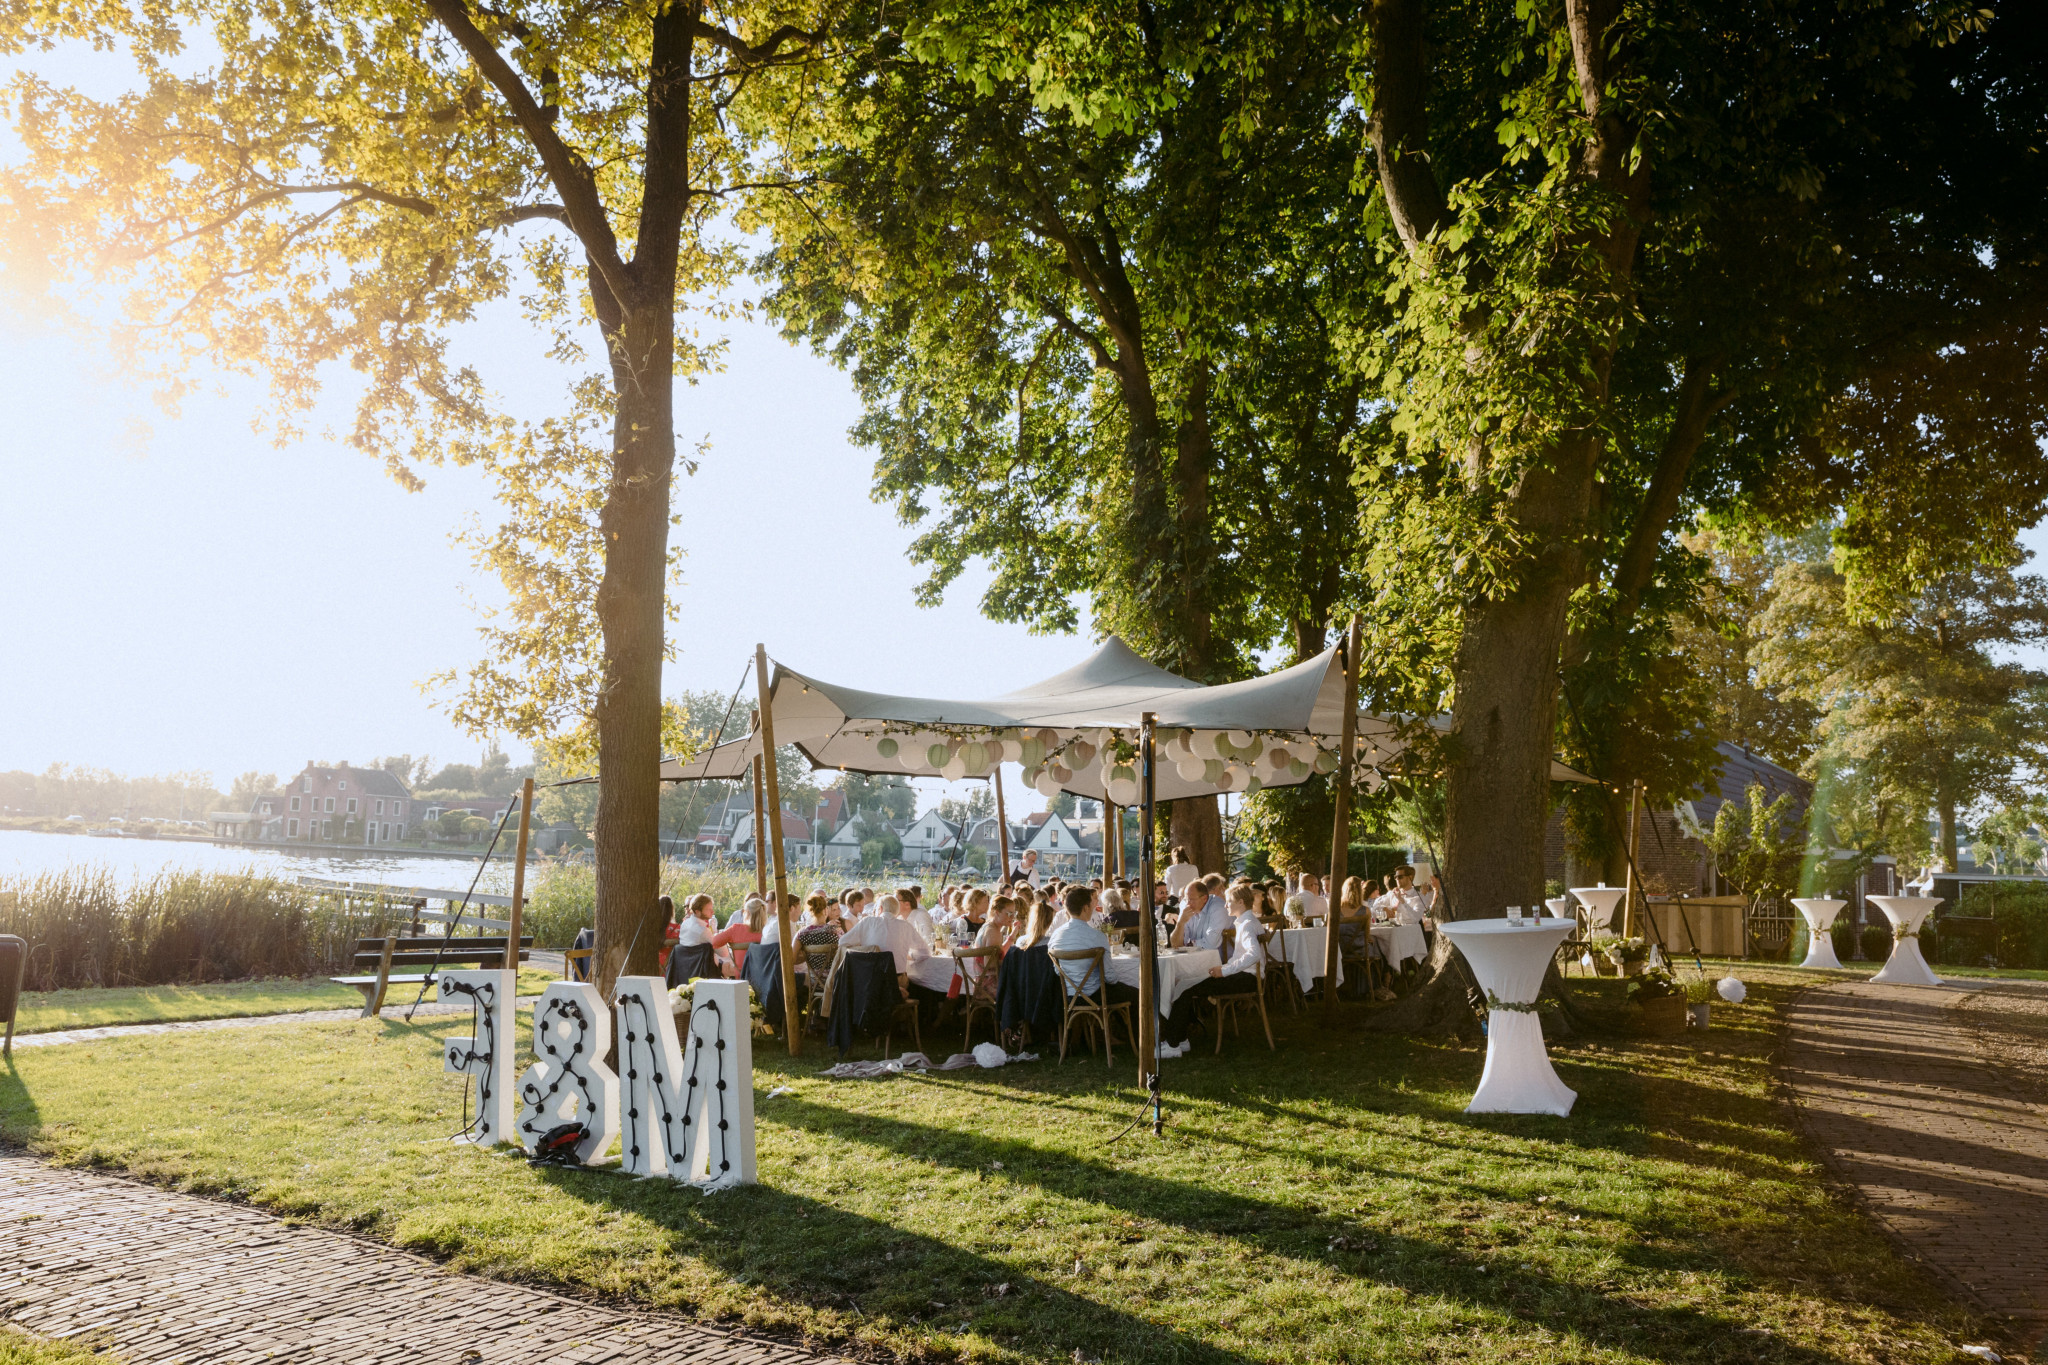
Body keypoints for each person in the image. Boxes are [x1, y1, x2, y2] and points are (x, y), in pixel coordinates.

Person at [1161, 883, 1264, 1051]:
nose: (1225, 905)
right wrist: (1225, 968)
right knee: (1185, 984)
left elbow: (1254, 955)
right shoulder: (1245, 922)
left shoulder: (1247, 925)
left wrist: (1224, 971)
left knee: (1186, 989)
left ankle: (1173, 1044)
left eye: (1229, 901)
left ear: (1241, 903)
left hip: (1246, 979)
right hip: (1244, 976)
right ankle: (1180, 1039)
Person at [1046, 883, 1140, 1020]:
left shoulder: (1056, 935)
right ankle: (1135, 1039)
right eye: (1091, 905)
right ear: (1085, 908)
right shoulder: (1097, 936)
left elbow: (1056, 970)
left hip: (1068, 996)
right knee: (1138, 994)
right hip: (1096, 995)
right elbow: (1110, 977)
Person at [1170, 874, 1229, 950]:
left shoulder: (1217, 907)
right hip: (1194, 956)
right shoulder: (1185, 905)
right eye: (1186, 899)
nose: (1188, 903)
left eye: (1191, 900)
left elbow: (1210, 944)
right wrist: (1180, 923)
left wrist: (1187, 945)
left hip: (1221, 959)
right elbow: (1175, 944)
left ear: (1204, 899)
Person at [656, 894, 680, 972]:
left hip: (656, 964)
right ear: (672, 910)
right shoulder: (679, 928)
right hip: (671, 965)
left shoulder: (652, 928)